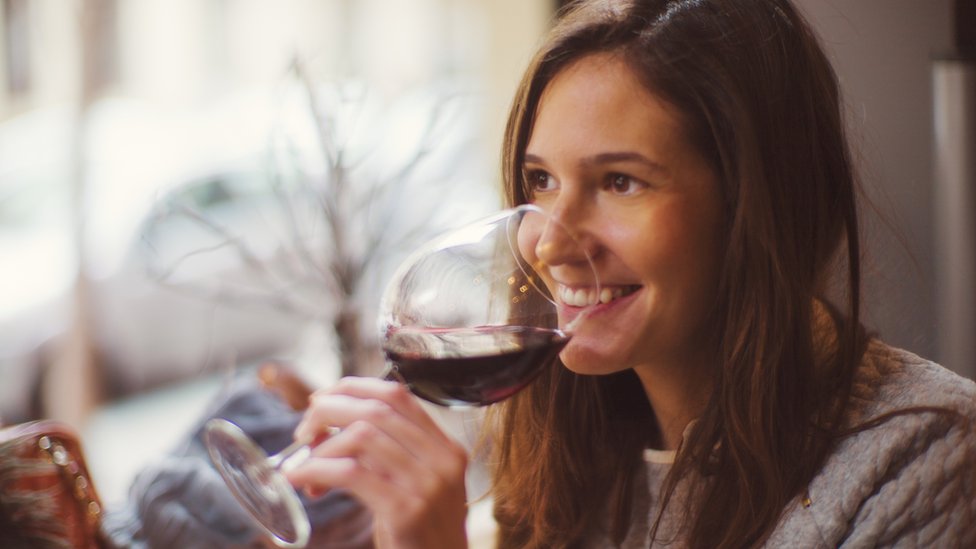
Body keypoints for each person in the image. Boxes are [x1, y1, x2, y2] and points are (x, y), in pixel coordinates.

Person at [285, 0, 976, 547]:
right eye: (541, 181)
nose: (552, 243)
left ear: (756, 204)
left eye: (620, 181)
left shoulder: (930, 457)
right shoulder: (566, 440)